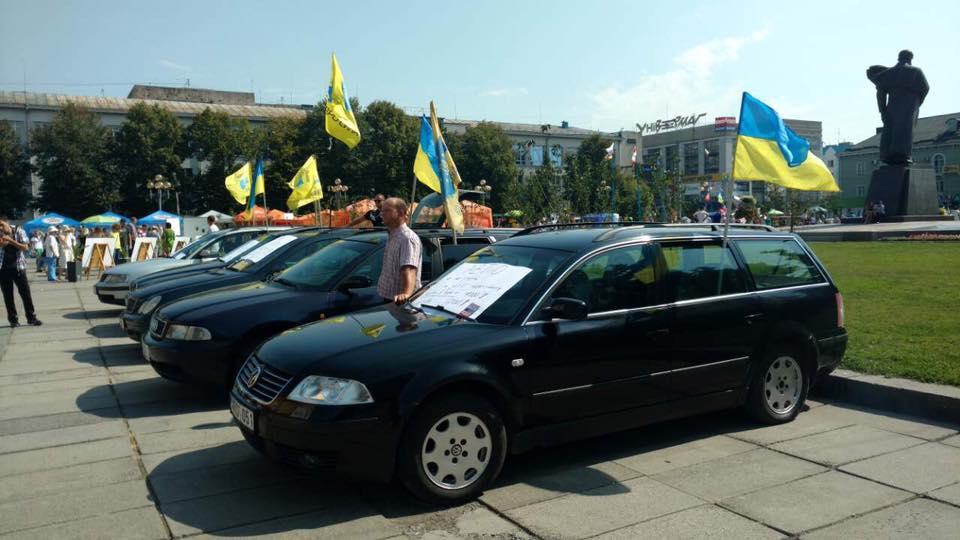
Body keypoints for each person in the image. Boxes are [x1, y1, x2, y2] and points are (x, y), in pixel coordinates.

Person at [377, 197, 422, 304]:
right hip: (388, 298)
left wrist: (406, 294)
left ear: (401, 213)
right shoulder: (393, 235)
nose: (381, 214)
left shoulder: (407, 238)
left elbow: (410, 269)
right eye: (381, 211)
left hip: (400, 302)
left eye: (386, 211)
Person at [0, 219, 41, 327]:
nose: (0, 228)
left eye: (1, 225)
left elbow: (26, 247)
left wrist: (11, 241)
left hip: (18, 267)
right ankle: (13, 320)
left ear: (7, 223)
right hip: (3, 269)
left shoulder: (19, 231)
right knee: (8, 296)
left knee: (25, 293)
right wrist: (2, 245)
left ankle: (31, 318)